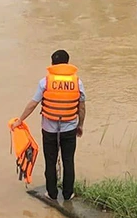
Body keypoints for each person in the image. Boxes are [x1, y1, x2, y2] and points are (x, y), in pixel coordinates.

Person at [12, 50, 85, 201]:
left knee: (50, 161)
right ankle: (68, 194)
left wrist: (20, 120)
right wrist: (80, 125)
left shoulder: (45, 82)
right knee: (68, 161)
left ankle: (51, 194)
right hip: (69, 129)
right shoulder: (78, 82)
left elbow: (33, 104)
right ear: (67, 63)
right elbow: (82, 107)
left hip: (49, 130)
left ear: (52, 64)